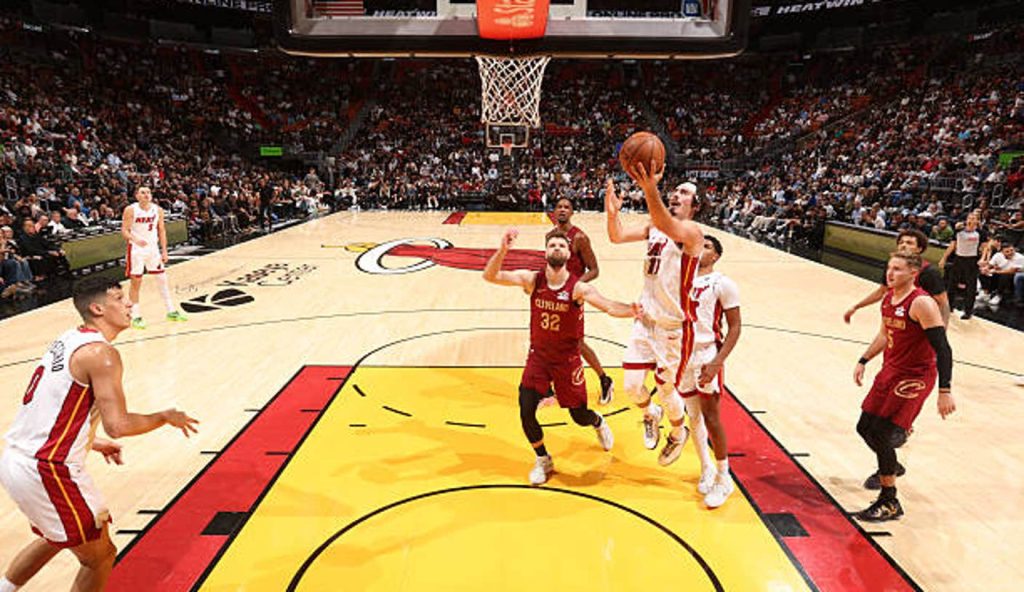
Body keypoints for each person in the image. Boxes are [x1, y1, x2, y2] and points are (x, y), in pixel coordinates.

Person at [0, 278, 199, 592]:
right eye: (120, 298)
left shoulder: (69, 339)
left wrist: (91, 441)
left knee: (55, 537)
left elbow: (51, 409)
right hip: (48, 469)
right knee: (100, 555)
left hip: (18, 460)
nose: (130, 303)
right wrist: (163, 417)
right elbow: (118, 425)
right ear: (97, 309)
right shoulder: (101, 354)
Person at [483, 228, 639, 485]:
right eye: (552, 244)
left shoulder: (578, 288)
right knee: (525, 410)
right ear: (545, 252)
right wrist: (503, 249)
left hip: (567, 360)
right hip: (539, 357)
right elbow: (491, 276)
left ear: (568, 254)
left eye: (561, 245)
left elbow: (609, 305)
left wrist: (630, 310)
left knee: (579, 416)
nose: (556, 247)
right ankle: (543, 459)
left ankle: (598, 422)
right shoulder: (533, 280)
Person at [605, 168, 705, 469]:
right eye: (674, 191)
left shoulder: (693, 233)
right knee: (632, 387)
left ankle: (677, 432)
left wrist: (649, 187)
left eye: (684, 192)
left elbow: (664, 219)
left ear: (695, 206)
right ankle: (650, 414)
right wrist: (612, 214)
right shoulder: (655, 227)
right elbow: (617, 236)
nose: (676, 194)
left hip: (672, 327)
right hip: (645, 320)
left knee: (665, 387)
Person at [852, 251, 956, 521]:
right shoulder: (888, 299)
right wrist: (863, 359)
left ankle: (890, 501)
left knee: (882, 434)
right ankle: (892, 460)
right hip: (891, 371)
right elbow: (885, 335)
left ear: (913, 273)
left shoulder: (921, 303)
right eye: (889, 268)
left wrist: (944, 391)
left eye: (897, 269)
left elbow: (943, 350)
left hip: (915, 375)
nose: (890, 273)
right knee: (864, 428)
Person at [676, 235, 742, 508]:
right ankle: (706, 467)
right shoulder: (679, 280)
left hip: (706, 353)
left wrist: (717, 362)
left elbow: (735, 327)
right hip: (682, 353)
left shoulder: (722, 284)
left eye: (707, 246)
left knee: (711, 417)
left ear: (715, 256)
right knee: (692, 414)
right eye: (699, 244)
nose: (700, 249)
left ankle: (724, 476)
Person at [551, 197, 616, 405]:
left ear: (572, 212)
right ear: (554, 211)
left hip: (573, 297)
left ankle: (604, 379)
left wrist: (574, 286)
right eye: (559, 206)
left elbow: (594, 269)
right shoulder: (550, 236)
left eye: (567, 207)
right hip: (554, 295)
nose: (562, 210)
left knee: (576, 343)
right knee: (551, 339)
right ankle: (552, 385)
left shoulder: (579, 238)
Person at [844, 229, 951, 326]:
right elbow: (881, 291)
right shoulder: (892, 264)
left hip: (920, 321)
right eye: (901, 242)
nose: (903, 245)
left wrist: (941, 330)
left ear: (919, 249)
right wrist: (856, 306)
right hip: (897, 316)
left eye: (909, 243)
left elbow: (944, 304)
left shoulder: (929, 272)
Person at [121, 187, 187, 329]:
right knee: (136, 282)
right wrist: (135, 239)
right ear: (137, 195)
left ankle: (171, 311)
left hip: (153, 249)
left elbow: (161, 230)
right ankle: (136, 316)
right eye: (143, 192)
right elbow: (124, 231)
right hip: (136, 250)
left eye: (149, 192)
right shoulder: (130, 210)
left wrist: (164, 250)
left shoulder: (158, 210)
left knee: (162, 280)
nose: (147, 195)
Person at [938, 212, 983, 319]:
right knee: (952, 284)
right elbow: (952, 246)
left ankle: (968, 311)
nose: (971, 220)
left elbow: (985, 248)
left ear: (977, 220)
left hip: (972, 261)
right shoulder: (958, 231)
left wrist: (983, 259)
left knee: (971, 287)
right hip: (958, 259)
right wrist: (943, 258)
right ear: (966, 219)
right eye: (970, 218)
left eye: (974, 218)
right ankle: (949, 307)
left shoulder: (981, 233)